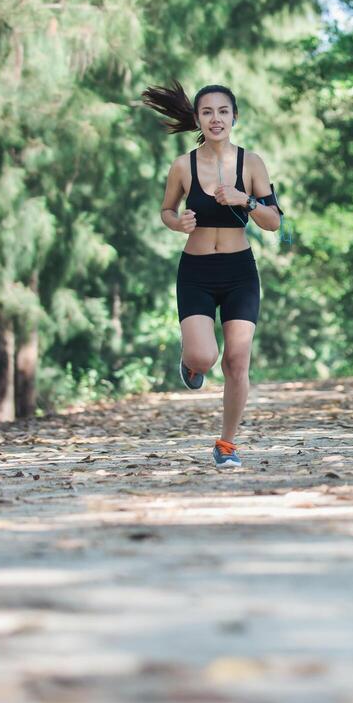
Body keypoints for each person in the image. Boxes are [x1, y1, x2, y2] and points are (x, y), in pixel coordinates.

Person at [142, 81, 283, 468]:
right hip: (197, 270)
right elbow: (166, 210)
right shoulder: (182, 166)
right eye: (207, 112)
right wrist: (178, 222)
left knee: (237, 362)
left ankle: (226, 444)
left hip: (240, 271)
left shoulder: (251, 163)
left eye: (223, 111)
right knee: (205, 358)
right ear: (197, 119)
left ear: (234, 116)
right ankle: (191, 364)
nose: (216, 119)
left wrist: (247, 199)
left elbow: (273, 222)